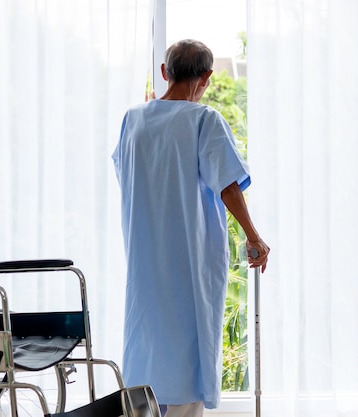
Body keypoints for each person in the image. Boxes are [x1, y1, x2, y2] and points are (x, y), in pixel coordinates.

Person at [111, 39, 270, 417]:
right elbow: (229, 185)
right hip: (187, 262)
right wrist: (254, 237)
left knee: (148, 352)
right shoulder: (203, 120)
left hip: (144, 262)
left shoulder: (132, 119)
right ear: (208, 78)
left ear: (165, 73)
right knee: (186, 358)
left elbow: (128, 176)